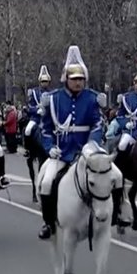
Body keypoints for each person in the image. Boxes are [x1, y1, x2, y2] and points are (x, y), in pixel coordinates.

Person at [36, 45, 105, 240]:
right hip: (62, 151)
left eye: (81, 79)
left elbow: (97, 124)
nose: (78, 83)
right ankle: (48, 223)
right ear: (66, 79)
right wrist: (50, 148)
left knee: (110, 176)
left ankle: (115, 215)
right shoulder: (53, 99)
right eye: (74, 79)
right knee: (47, 182)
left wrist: (92, 145)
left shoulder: (92, 98)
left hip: (85, 152)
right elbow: (45, 128)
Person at [24, 65, 52, 147]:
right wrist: (37, 110)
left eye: (46, 81)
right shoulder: (34, 92)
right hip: (36, 118)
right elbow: (30, 107)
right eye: (43, 81)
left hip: (49, 118)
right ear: (40, 82)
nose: (44, 83)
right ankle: (29, 150)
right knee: (27, 130)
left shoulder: (52, 93)